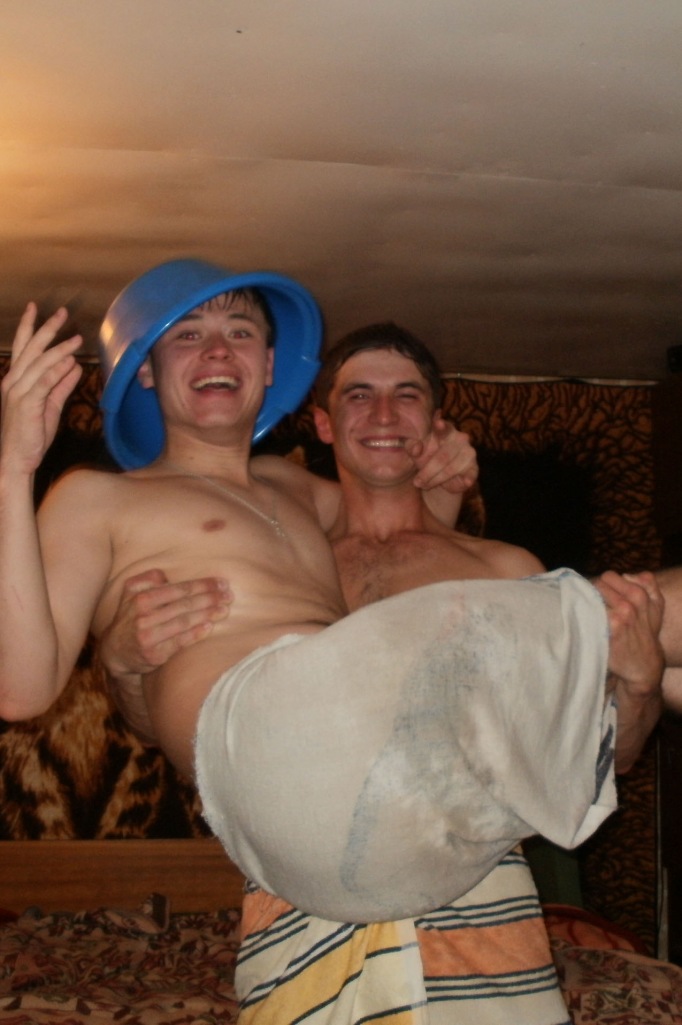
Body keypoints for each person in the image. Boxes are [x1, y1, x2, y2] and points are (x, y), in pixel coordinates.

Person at [0, 259, 663, 930]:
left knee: (651, 656)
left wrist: (446, 474)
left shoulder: (293, 492)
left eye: (239, 331)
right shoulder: (98, 496)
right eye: (188, 335)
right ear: (145, 370)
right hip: (276, 760)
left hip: (390, 813)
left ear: (268, 365)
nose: (218, 349)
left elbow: (395, 522)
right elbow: (19, 690)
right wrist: (13, 464)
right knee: (621, 611)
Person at [100, 320, 667, 1024]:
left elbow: (602, 759)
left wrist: (640, 686)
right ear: (323, 423)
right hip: (304, 890)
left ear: (436, 423)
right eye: (358, 395)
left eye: (407, 395)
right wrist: (123, 662)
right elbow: (173, 733)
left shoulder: (502, 571)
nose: (384, 414)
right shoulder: (279, 568)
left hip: (477, 907)